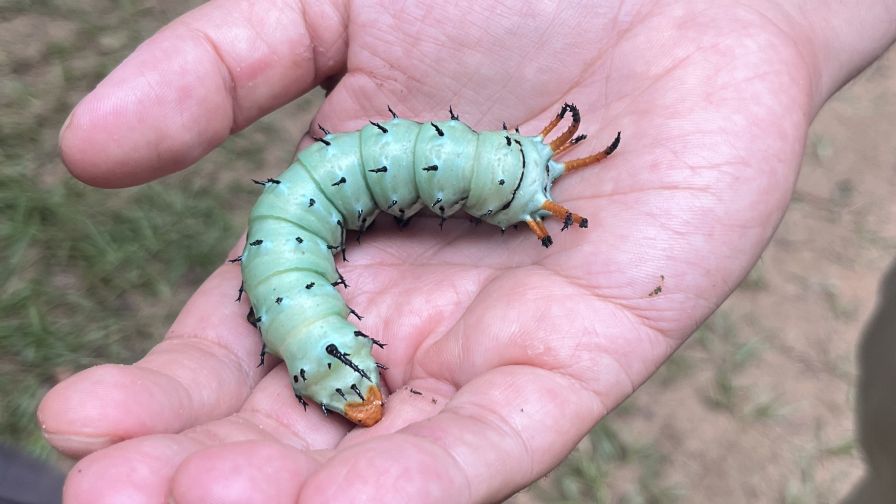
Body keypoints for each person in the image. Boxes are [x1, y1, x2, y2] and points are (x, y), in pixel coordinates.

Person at [40, 1, 896, 502]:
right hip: (347, 209)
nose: (368, 396)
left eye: (347, 379)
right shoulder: (308, 233)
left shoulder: (332, 225)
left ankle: (510, 177)